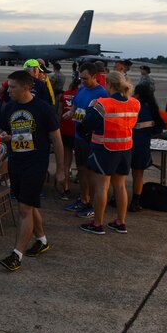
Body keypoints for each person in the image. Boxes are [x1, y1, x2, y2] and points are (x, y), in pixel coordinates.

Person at [0, 70, 63, 271]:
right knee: (30, 205)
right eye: (9, 86)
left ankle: (16, 255)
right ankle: (42, 240)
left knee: (24, 209)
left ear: (26, 87)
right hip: (16, 162)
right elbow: (3, 130)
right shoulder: (9, 108)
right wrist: (3, 136)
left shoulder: (43, 109)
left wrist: (60, 171)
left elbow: (57, 140)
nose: (9, 90)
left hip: (36, 163)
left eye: (13, 87)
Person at [77, 72, 140, 235]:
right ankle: (121, 222)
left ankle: (97, 224)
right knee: (120, 186)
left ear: (109, 85)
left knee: (102, 187)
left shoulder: (102, 104)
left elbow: (87, 123)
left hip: (105, 149)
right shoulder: (134, 103)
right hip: (125, 149)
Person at [63, 62, 108, 219]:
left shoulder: (101, 94)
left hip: (91, 139)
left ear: (95, 77)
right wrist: (70, 113)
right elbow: (75, 106)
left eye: (86, 78)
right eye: (81, 78)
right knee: (81, 170)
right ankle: (83, 199)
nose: (82, 81)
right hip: (79, 137)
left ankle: (93, 205)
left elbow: (102, 118)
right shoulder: (81, 90)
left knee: (91, 173)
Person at [129, 83, 165, 212]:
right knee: (138, 174)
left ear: (137, 94)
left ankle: (116, 198)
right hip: (142, 144)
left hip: (128, 142)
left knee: (120, 174)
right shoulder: (152, 108)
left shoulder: (133, 105)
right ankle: (135, 202)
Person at [57, 77, 80, 200]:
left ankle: (65, 187)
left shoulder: (64, 94)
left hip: (64, 129)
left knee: (66, 161)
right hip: (77, 131)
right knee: (81, 163)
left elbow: (60, 113)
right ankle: (83, 191)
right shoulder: (81, 94)